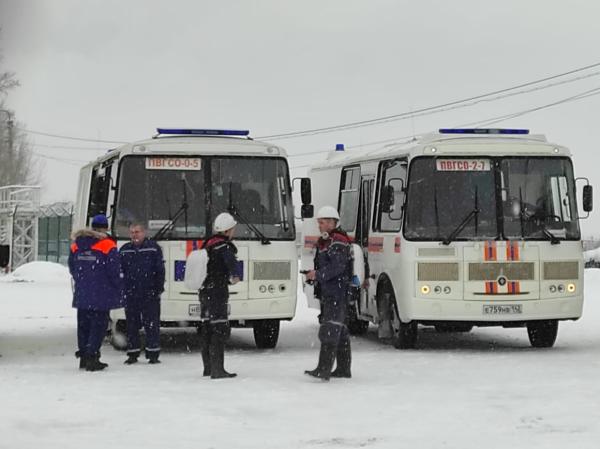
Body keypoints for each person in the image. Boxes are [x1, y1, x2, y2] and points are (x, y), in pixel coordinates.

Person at [68, 214, 123, 372]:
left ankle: (84, 357)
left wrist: (83, 280)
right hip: (101, 293)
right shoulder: (107, 245)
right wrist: (117, 286)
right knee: (97, 327)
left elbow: (72, 267)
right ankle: (93, 357)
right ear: (106, 228)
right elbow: (114, 271)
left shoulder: (76, 244)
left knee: (83, 325)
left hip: (83, 293)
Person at [304, 206, 353, 381]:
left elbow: (337, 267)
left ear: (333, 222)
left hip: (336, 292)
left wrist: (318, 274)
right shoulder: (329, 240)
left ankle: (323, 369)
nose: (319, 226)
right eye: (319, 222)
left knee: (331, 329)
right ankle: (342, 368)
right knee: (340, 330)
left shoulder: (337, 241)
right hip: (334, 290)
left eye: (322, 222)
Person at [198, 212, 240, 379]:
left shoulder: (207, 244)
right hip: (217, 291)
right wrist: (234, 276)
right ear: (228, 230)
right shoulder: (224, 247)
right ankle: (218, 369)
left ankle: (208, 367)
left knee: (207, 327)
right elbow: (232, 266)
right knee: (220, 328)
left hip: (204, 291)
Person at [120, 222, 165, 365]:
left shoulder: (153, 248)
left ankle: (153, 354)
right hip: (131, 294)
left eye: (137, 231)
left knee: (151, 324)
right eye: (132, 232)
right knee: (132, 325)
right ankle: (133, 354)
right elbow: (119, 271)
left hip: (149, 293)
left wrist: (158, 289)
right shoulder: (125, 250)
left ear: (144, 233)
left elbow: (160, 270)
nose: (135, 234)